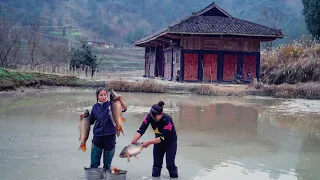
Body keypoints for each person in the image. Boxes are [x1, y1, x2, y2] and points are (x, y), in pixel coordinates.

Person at [130, 101, 178, 178]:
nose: (155, 118)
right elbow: (140, 130)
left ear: (161, 114)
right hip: (158, 142)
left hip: (170, 142)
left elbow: (162, 138)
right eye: (153, 116)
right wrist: (131, 144)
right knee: (156, 165)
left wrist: (148, 142)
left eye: (159, 115)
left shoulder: (168, 120)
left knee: (170, 164)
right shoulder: (149, 117)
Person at [89, 87, 127, 170]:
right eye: (101, 95)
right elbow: (91, 121)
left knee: (107, 164)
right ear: (97, 96)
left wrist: (120, 100)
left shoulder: (112, 104)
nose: (103, 97)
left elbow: (124, 109)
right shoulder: (95, 107)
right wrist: (84, 118)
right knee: (94, 164)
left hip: (110, 136)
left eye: (105, 95)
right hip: (97, 137)